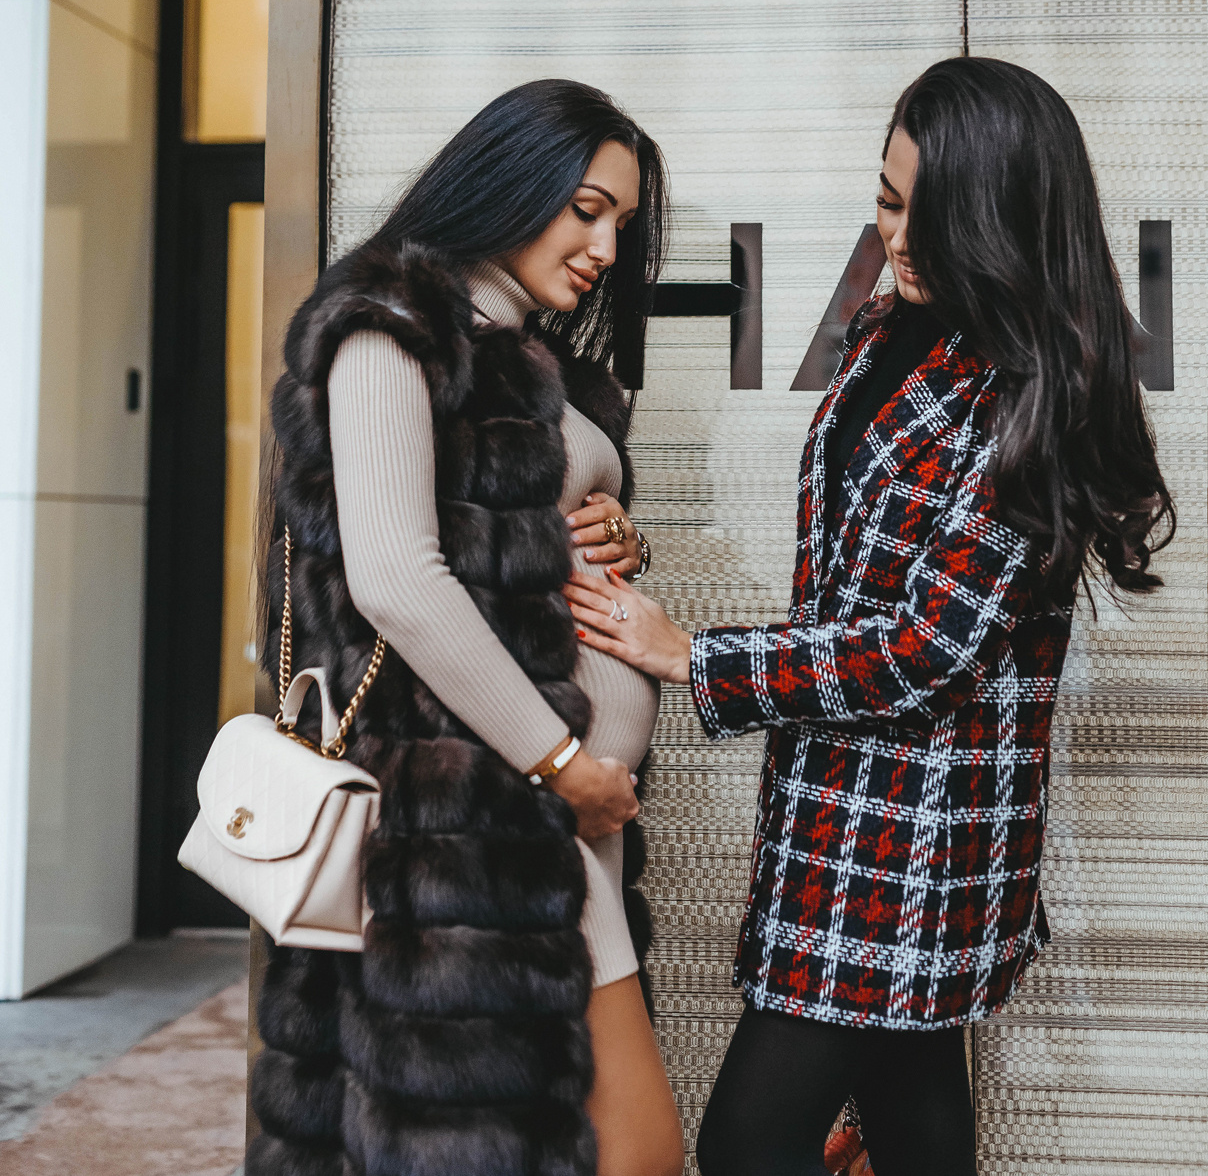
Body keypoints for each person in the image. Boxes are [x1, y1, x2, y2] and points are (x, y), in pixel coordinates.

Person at [564, 57, 1175, 1176]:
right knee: (912, 1126)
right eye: (886, 200)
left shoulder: (1034, 393)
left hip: (918, 836)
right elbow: (849, 554)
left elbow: (924, 646)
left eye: (923, 213)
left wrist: (690, 652)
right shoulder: (896, 329)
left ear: (993, 218)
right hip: (835, 799)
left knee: (749, 1145)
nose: (892, 236)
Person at [248, 79, 684, 1176]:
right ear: (509, 178)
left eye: (620, 225)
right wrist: (561, 763)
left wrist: (604, 534)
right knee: (621, 1153)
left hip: (549, 828)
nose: (602, 248)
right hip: (475, 837)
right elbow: (397, 577)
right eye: (585, 208)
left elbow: (496, 545)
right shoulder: (391, 327)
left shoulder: (520, 357)